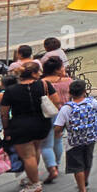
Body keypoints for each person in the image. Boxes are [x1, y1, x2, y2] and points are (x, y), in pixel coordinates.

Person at [0, 61, 58, 192]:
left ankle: (35, 183)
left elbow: (4, 112)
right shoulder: (44, 84)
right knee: (35, 149)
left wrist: (5, 127)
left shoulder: (11, 91)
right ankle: (32, 178)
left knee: (27, 156)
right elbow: (56, 101)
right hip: (42, 123)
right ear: (33, 73)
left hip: (21, 125)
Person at [55, 79, 97, 192]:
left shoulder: (66, 108)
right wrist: (95, 123)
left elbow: (58, 127)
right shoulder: (92, 102)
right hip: (90, 137)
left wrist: (59, 133)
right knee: (87, 160)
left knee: (77, 165)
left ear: (70, 93)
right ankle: (85, 181)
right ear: (84, 91)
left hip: (74, 141)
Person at [40, 56, 73, 184]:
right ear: (57, 70)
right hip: (64, 113)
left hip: (47, 114)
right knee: (58, 139)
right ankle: (57, 165)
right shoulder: (68, 81)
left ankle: (51, 167)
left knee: (46, 144)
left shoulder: (41, 82)